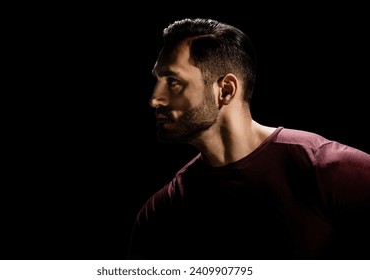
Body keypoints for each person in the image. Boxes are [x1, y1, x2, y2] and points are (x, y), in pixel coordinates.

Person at [128, 18, 370, 260]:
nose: (154, 99)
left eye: (173, 82)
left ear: (225, 90)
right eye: (157, 80)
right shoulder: (161, 213)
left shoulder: (326, 169)